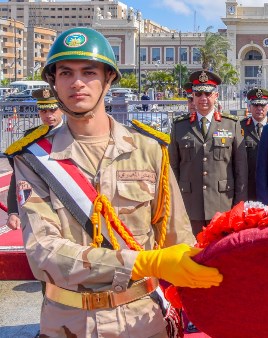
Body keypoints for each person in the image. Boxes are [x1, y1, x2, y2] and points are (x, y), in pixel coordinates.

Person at [7, 27, 222, 337]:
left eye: (89, 72)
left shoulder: (149, 150)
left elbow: (177, 238)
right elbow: (45, 252)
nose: (77, 82)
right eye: (65, 73)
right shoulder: (33, 160)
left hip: (143, 322)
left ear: (108, 79)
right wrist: (145, 262)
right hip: (68, 324)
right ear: (53, 82)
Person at [169, 70, 248, 235]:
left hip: (222, 204)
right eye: (198, 94)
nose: (203, 98)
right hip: (189, 204)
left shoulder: (231, 125)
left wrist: (239, 205)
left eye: (208, 93)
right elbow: (173, 169)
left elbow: (240, 170)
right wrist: (173, 204)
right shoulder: (179, 126)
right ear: (193, 97)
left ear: (216, 96)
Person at [6, 87, 64, 230]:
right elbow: (18, 176)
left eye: (53, 110)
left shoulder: (73, 134)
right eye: (44, 111)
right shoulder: (30, 137)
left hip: (68, 203)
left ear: (62, 109)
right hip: (39, 205)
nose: (48, 115)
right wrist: (13, 211)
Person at [240, 88, 268, 201]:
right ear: (249, 107)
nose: (259, 109)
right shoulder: (240, 127)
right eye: (255, 105)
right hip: (247, 185)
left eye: (262, 105)